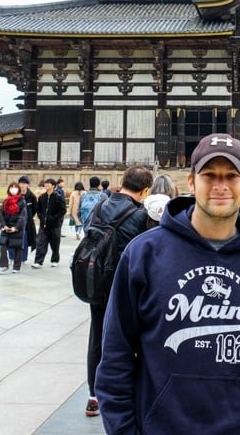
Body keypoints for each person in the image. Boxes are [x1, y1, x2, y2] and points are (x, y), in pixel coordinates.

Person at [95, 133, 240, 434]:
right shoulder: (144, 254)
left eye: (231, 176)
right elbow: (114, 358)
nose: (220, 185)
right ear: (191, 181)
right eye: (209, 175)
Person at [84, 165, 153, 418]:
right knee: (129, 341)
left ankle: (93, 396)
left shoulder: (100, 206)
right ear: (145, 190)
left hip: (96, 282)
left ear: (122, 182)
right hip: (125, 287)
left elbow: (88, 234)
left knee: (97, 338)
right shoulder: (139, 214)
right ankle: (125, 394)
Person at [32, 178, 66, 268]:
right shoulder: (42, 197)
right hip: (43, 225)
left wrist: (53, 218)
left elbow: (62, 211)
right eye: (45, 184)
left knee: (55, 244)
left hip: (54, 226)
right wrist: (41, 217)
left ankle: (55, 259)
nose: (46, 185)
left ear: (53, 186)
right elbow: (38, 209)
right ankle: (38, 261)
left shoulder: (58, 197)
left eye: (48, 184)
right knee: (41, 243)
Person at [0, 181, 26, 274]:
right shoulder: (6, 201)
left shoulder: (22, 201)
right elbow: (1, 214)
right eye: (11, 187)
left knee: (17, 247)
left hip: (17, 228)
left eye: (15, 187)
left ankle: (16, 267)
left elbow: (22, 216)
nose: (13, 189)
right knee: (2, 246)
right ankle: (4, 265)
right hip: (6, 227)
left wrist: (16, 227)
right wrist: (4, 225)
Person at [15, 176, 37, 266]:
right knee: (15, 240)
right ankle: (13, 257)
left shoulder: (31, 196)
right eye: (20, 183)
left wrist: (29, 217)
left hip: (27, 223)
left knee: (25, 241)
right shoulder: (15, 195)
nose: (22, 185)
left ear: (27, 185)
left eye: (24, 184)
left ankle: (23, 258)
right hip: (16, 222)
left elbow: (35, 208)